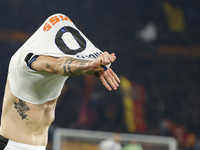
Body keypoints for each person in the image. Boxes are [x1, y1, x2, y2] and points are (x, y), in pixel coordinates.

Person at [0, 13, 120, 150]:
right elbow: (59, 65)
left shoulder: (62, 56)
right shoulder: (28, 57)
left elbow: (70, 63)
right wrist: (89, 66)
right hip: (12, 145)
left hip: (40, 146)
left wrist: (94, 66)